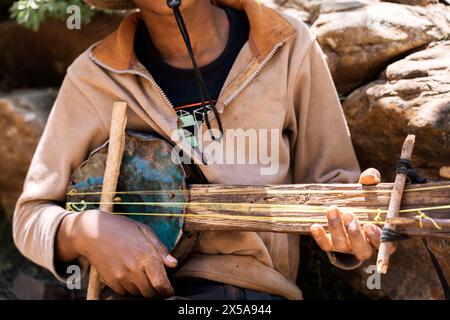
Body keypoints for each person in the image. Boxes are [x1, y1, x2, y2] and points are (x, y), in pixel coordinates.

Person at [13, 0, 383, 300]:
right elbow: (30, 217)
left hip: (251, 296)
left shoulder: (286, 48)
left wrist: (353, 239)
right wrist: (86, 231)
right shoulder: (95, 77)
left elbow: (339, 187)